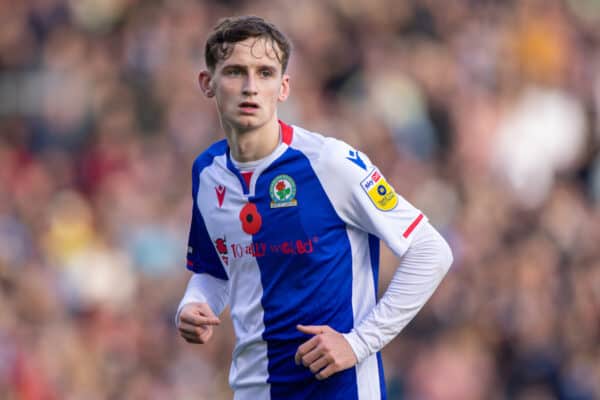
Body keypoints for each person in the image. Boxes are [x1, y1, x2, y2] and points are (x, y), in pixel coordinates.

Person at [175, 15, 453, 400]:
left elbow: (431, 250)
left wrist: (359, 343)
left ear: (284, 87)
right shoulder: (207, 173)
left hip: (340, 390)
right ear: (208, 83)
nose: (251, 87)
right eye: (236, 72)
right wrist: (193, 305)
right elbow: (216, 269)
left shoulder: (330, 162)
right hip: (254, 389)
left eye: (266, 73)